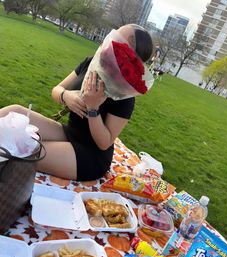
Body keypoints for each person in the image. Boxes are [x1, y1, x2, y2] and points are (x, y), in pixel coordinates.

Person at [0, 24, 153, 181]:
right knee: (13, 112)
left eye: (118, 40)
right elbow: (56, 90)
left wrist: (93, 108)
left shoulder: (125, 94)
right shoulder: (91, 63)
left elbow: (104, 143)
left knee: (22, 150)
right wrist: (66, 96)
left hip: (90, 155)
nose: (110, 42)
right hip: (70, 133)